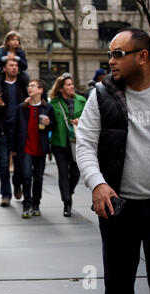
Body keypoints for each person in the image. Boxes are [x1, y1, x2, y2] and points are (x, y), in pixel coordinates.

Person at [76, 27, 150, 294]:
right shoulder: (101, 95)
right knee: (118, 288)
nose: (111, 61)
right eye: (109, 54)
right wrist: (98, 184)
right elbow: (85, 145)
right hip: (118, 209)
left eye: (118, 54)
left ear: (142, 56)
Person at [0, 59, 28, 207]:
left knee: (20, 163)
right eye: (11, 65)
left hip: (20, 130)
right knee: (3, 163)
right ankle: (5, 195)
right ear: (4, 68)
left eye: (16, 65)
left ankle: (17, 184)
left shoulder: (23, 84)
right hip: (2, 128)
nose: (14, 67)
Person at [11, 79, 56, 218]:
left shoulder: (47, 108)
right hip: (25, 147)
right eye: (28, 86)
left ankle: (36, 204)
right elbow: (16, 128)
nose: (29, 88)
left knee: (38, 178)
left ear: (40, 90)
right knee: (26, 176)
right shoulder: (22, 107)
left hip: (40, 148)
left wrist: (49, 123)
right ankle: (26, 205)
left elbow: (54, 126)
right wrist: (14, 148)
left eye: (33, 86)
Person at [48, 72, 86, 217]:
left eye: (72, 84)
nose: (72, 87)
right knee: (63, 173)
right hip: (59, 143)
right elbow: (51, 123)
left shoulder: (82, 100)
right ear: (61, 88)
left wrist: (80, 122)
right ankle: (67, 203)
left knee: (75, 173)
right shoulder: (54, 103)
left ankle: (68, 192)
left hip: (76, 142)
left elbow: (91, 119)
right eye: (68, 85)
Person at [0, 31, 29, 107]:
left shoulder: (21, 51)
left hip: (19, 73)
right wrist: (5, 58)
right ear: (8, 41)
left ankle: (29, 98)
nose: (15, 42)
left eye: (17, 40)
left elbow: (25, 66)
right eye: (13, 40)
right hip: (4, 72)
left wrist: (17, 58)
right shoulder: (2, 51)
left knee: (26, 79)